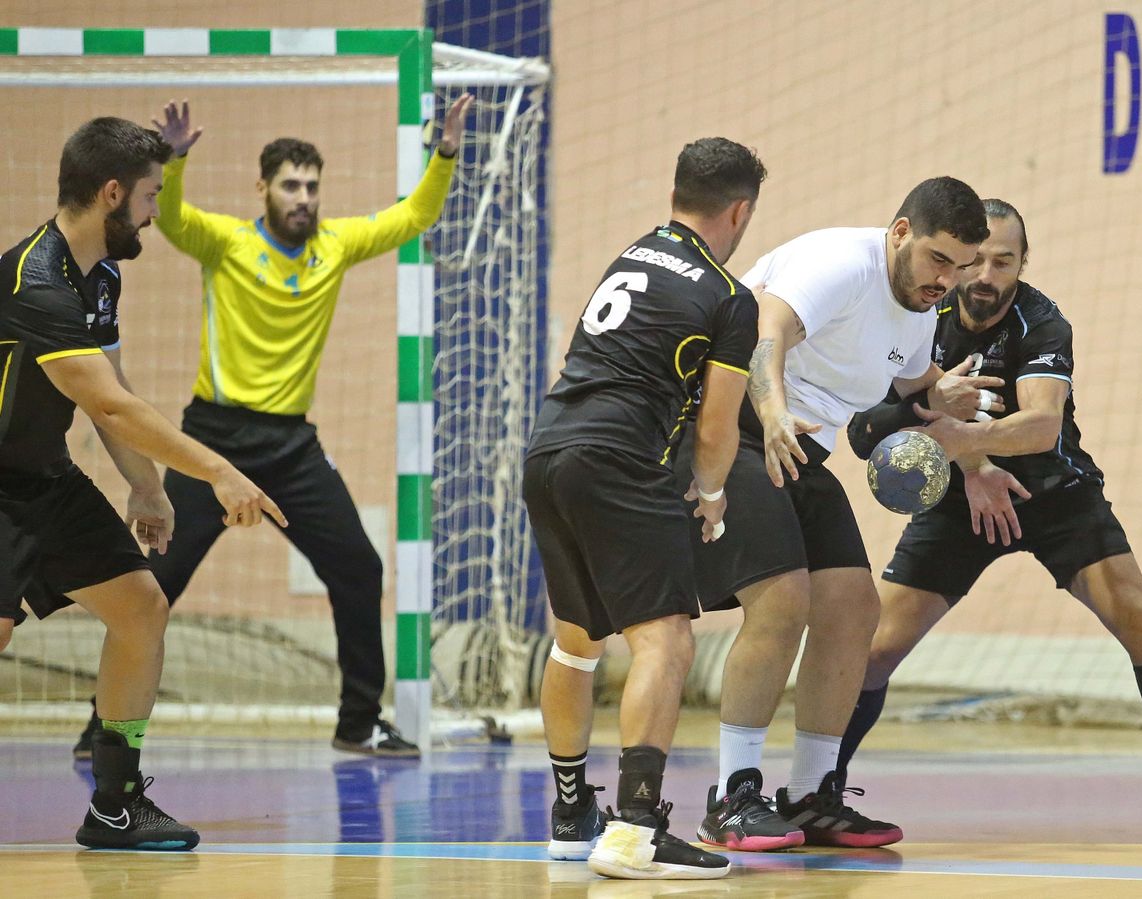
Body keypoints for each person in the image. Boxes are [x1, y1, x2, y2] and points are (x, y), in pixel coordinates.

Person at [836, 199, 1142, 842]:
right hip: (959, 503)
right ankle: (821, 794)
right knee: (871, 653)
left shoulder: (1042, 322)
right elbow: (865, 429)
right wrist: (971, 467)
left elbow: (1040, 427)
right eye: (973, 259)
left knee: (1140, 623)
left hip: (1058, 498)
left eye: (1002, 262)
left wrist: (956, 438)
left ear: (1021, 265)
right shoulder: (919, 317)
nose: (983, 274)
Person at [68, 95, 474, 760]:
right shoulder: (226, 243)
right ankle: (103, 724)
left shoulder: (335, 245)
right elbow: (167, 216)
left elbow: (416, 215)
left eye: (312, 186)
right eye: (291, 184)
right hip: (213, 443)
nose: (304, 197)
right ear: (263, 189)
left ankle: (358, 720)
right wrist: (175, 157)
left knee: (359, 567)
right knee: (154, 585)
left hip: (292, 447)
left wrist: (445, 154)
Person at [678, 177, 999, 851]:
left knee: (853, 605)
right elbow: (765, 332)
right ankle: (733, 797)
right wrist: (768, 415)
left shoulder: (919, 305)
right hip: (737, 428)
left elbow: (914, 384)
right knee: (783, 600)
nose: (951, 279)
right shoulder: (839, 264)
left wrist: (947, 393)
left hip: (800, 451)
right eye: (941, 259)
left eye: (964, 266)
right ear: (902, 232)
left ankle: (812, 796)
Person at [1, 116, 285, 850]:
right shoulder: (37, 281)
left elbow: (111, 389)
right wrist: (218, 471)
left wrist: (148, 488)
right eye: (152, 197)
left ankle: (115, 805)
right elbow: (110, 404)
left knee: (139, 606)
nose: (157, 212)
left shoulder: (103, 274)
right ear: (112, 193)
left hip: (43, 478)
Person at [524, 137, 766, 879]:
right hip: (620, 461)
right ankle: (635, 829)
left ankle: (572, 814)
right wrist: (714, 494)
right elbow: (716, 426)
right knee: (666, 642)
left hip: (549, 448)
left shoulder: (632, 254)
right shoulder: (728, 295)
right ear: (740, 209)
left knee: (575, 640)